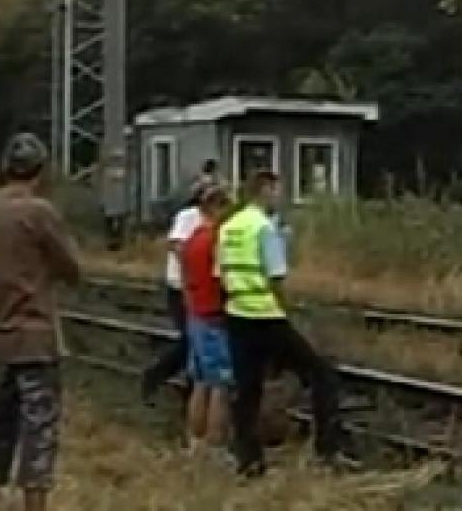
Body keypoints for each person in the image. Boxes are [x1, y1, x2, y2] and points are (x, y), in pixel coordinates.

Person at [0, 133, 82, 511]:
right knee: (39, 433)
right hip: (35, 337)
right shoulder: (40, 212)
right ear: (40, 169)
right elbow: (72, 269)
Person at [218, 170, 344, 476]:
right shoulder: (263, 227)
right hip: (266, 316)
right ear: (264, 190)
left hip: (237, 314)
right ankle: (326, 451)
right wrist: (284, 310)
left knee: (247, 390)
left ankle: (249, 460)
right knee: (321, 375)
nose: (279, 197)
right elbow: (275, 275)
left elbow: (220, 273)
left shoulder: (230, 227)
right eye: (276, 191)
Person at [181, 183, 235, 457]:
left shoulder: (192, 238)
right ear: (218, 207)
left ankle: (195, 440)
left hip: (195, 314)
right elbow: (222, 278)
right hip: (214, 315)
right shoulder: (216, 239)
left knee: (200, 381)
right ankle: (215, 446)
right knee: (221, 384)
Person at [140, 182, 205, 406]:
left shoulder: (212, 219)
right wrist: (192, 269)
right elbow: (176, 245)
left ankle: (190, 384)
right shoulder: (189, 216)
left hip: (199, 287)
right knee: (192, 338)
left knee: (197, 339)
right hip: (181, 286)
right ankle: (158, 375)